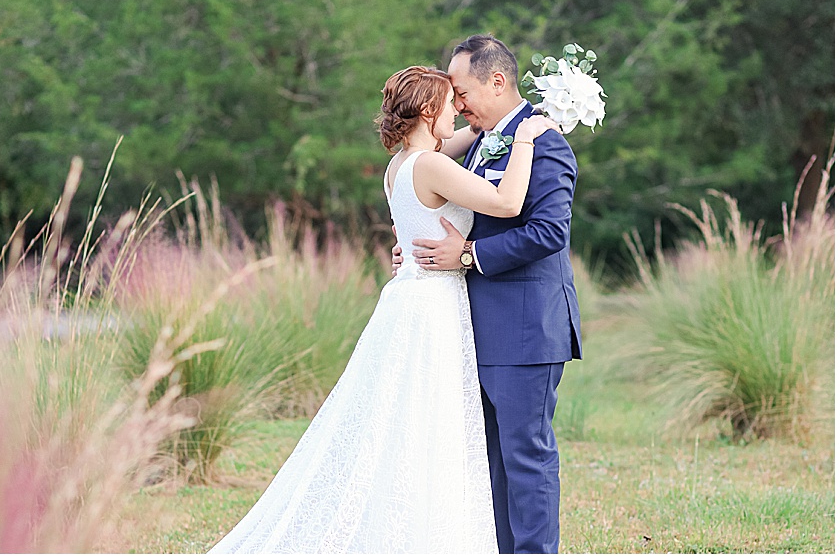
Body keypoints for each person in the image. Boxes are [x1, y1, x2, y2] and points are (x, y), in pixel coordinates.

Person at [208, 65, 558, 553]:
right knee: (430, 420)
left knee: (406, 417)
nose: (458, 110)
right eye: (449, 103)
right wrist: (527, 136)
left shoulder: (402, 165)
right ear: (426, 111)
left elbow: (470, 140)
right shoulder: (431, 166)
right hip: (432, 303)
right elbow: (505, 201)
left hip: (410, 299)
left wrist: (501, 123)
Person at [392, 34, 582, 554]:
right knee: (487, 459)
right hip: (468, 326)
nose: (457, 103)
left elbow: (549, 232)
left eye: (461, 90)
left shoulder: (545, 141)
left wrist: (468, 255)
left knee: (525, 455)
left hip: (525, 327)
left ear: (497, 82)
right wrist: (415, 250)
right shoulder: (476, 142)